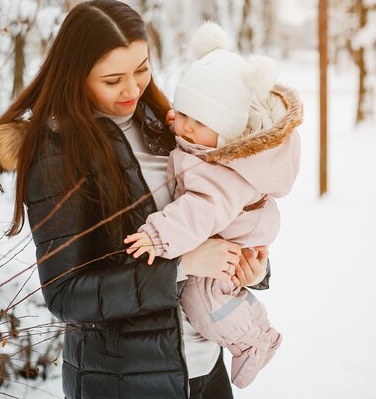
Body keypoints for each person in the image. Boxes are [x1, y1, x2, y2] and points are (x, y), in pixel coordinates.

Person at [0, 0, 270, 399]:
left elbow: (219, 207)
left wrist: (246, 266)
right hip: (125, 382)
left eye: (142, 68)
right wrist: (180, 266)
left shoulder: (169, 125)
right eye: (113, 80)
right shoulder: (57, 151)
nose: (132, 88)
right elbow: (66, 294)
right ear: (76, 76)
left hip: (206, 373)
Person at [124, 22, 302, 388]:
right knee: (217, 295)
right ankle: (255, 333)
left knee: (204, 301)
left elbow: (200, 209)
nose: (184, 128)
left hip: (225, 233)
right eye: (183, 115)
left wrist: (158, 235)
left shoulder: (218, 170)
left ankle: (254, 340)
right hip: (227, 236)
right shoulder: (210, 145)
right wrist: (187, 119)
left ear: (227, 128)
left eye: (198, 122)